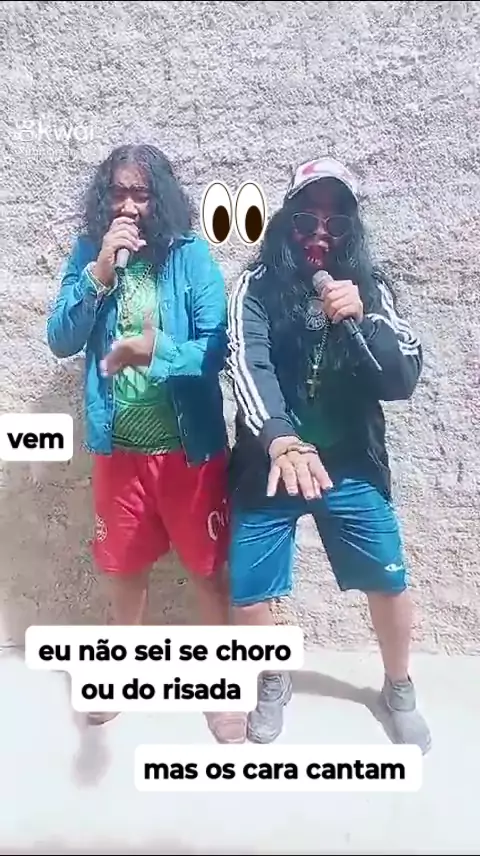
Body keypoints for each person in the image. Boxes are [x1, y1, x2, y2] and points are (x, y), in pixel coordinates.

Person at [226, 156, 431, 753]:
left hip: (348, 462)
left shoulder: (372, 287)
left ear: (351, 232)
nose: (320, 234)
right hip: (273, 459)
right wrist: (281, 439)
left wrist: (365, 321)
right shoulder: (256, 285)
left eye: (335, 223)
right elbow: (246, 363)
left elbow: (402, 378)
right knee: (250, 590)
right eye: (306, 220)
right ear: (285, 223)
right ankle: (272, 678)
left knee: (388, 579)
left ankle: (399, 687)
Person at [47, 143, 242, 742]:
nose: (129, 206)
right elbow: (60, 338)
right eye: (119, 193)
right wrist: (99, 276)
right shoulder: (90, 254)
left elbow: (217, 348)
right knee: (124, 568)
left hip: (188, 451)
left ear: (162, 198)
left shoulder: (191, 257)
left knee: (207, 570)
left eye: (142, 193)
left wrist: (155, 353)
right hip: (120, 451)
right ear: (104, 199)